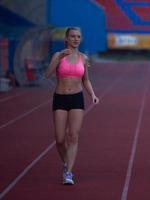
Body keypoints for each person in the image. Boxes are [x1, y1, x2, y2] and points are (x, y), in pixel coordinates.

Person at [45, 27, 99, 185]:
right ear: (67, 39)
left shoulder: (84, 58)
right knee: (60, 139)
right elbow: (47, 74)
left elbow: (86, 80)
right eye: (73, 36)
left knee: (73, 136)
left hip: (77, 98)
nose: (76, 39)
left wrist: (93, 95)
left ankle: (68, 172)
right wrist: (58, 57)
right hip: (60, 98)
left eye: (78, 36)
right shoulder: (58, 55)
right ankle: (66, 163)